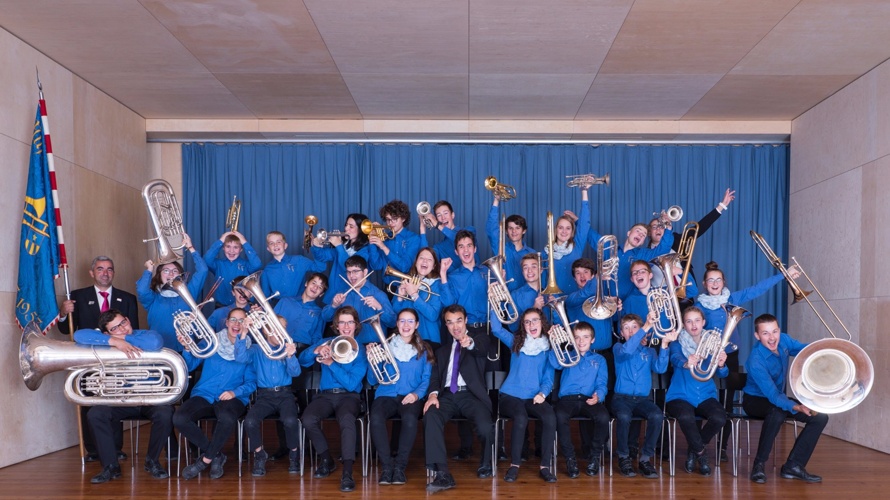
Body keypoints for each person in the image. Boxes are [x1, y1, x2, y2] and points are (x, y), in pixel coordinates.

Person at [696, 260, 799, 461]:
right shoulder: (698, 305)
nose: (715, 283)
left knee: (726, 402)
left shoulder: (732, 298)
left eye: (718, 279)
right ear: (704, 283)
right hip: (706, 356)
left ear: (724, 282)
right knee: (701, 400)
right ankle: (698, 446)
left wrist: (784, 275)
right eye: (711, 280)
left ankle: (722, 448)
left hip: (729, 355)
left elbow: (757, 289)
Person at [76, 309, 173, 484]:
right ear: (106, 333)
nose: (122, 328)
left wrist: (123, 340)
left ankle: (152, 461)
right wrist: (113, 342)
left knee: (165, 413)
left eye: (123, 323)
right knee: (95, 414)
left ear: (128, 320)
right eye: (115, 329)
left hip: (149, 397)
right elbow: (79, 335)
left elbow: (155, 342)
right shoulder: (106, 341)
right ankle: (110, 466)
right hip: (119, 398)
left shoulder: (146, 335)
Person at [58, 255, 138, 462]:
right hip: (88, 360)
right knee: (88, 402)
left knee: (114, 400)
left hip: (116, 361)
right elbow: (64, 328)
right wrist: (63, 313)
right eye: (100, 269)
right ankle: (93, 449)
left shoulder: (127, 298)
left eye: (109, 269)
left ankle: (116, 447)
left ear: (114, 272)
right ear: (92, 273)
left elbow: (134, 331)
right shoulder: (76, 296)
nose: (105, 273)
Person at [744, 313, 828, 484]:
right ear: (757, 336)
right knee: (777, 412)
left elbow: (806, 351)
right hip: (755, 400)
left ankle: (794, 466)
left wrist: (826, 346)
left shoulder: (784, 340)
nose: (772, 337)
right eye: (765, 333)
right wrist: (796, 406)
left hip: (778, 399)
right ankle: (758, 465)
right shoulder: (755, 360)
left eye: (774, 331)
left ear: (779, 330)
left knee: (820, 417)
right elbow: (773, 395)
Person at [175, 307, 257, 480]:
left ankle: (204, 460)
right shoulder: (210, 342)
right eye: (233, 320)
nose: (237, 324)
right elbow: (189, 366)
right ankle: (216, 455)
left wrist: (235, 392)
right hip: (205, 393)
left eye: (242, 321)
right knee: (179, 418)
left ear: (247, 325)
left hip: (232, 397)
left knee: (227, 417)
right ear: (226, 323)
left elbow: (252, 383)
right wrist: (187, 347)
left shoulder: (250, 350)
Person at [299, 306, 369, 492]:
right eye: (342, 322)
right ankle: (327, 459)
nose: (346, 326)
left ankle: (347, 472)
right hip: (326, 396)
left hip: (349, 396)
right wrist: (317, 350)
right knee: (308, 419)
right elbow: (303, 360)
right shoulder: (327, 342)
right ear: (336, 326)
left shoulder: (360, 351)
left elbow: (353, 384)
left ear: (356, 325)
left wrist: (330, 364)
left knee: (347, 419)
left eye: (350, 322)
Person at [424, 305, 493, 494]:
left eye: (458, 321)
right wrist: (432, 395)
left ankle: (486, 463)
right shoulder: (442, 351)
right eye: (450, 322)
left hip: (471, 396)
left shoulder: (479, 339)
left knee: (485, 426)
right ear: (446, 325)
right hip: (446, 395)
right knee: (431, 415)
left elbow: (479, 348)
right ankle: (443, 474)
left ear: (466, 320)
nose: (455, 327)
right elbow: (436, 378)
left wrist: (468, 342)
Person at [490, 308, 558, 483]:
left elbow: (548, 377)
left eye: (535, 320)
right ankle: (514, 465)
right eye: (527, 322)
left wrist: (543, 393)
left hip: (534, 396)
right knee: (520, 418)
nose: (531, 324)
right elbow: (497, 330)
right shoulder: (516, 342)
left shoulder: (549, 348)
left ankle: (544, 466)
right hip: (510, 395)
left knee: (550, 417)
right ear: (523, 326)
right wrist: (493, 305)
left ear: (542, 323)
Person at [367, 308, 433, 486]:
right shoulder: (384, 347)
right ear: (396, 323)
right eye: (402, 321)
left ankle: (400, 468)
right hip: (386, 395)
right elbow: (372, 379)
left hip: (410, 396)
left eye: (410, 321)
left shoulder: (424, 349)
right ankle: (387, 466)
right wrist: (372, 359)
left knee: (410, 419)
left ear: (417, 325)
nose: (406, 325)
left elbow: (426, 379)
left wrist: (416, 394)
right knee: (376, 417)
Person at [611, 312, 676, 479]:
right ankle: (624, 457)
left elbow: (660, 369)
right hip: (621, 398)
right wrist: (646, 326)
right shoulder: (618, 348)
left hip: (642, 400)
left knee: (656, 415)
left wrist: (664, 345)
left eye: (635, 327)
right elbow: (627, 351)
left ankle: (645, 458)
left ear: (642, 331)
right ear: (621, 333)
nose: (631, 331)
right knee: (624, 416)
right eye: (626, 328)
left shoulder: (649, 352)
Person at [665, 306, 728, 476]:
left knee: (720, 417)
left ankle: (694, 450)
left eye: (697, 321)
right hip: (680, 395)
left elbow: (723, 373)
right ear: (683, 325)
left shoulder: (713, 343)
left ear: (704, 322)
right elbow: (675, 358)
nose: (693, 325)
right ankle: (701, 454)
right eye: (689, 321)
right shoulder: (677, 342)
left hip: (705, 394)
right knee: (686, 416)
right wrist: (687, 362)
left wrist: (721, 363)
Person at [236, 315, 302, 476]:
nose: (280, 332)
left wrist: (290, 356)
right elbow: (240, 357)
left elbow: (296, 372)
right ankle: (259, 455)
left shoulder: (286, 348)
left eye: (283, 328)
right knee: (250, 421)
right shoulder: (257, 350)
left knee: (290, 420)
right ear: (266, 331)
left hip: (285, 394)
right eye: (276, 328)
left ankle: (294, 454)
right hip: (264, 396)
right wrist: (243, 333)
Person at [550, 321, 610, 478]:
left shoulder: (600, 360)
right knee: (559, 416)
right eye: (577, 337)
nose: (581, 341)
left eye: (585, 337)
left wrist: (599, 396)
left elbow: (602, 383)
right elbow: (554, 363)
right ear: (571, 339)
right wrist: (554, 342)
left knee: (603, 416)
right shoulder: (566, 355)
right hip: (567, 399)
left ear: (593, 340)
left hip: (588, 399)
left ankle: (595, 456)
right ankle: (570, 458)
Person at [647, 188, 736, 289]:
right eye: (654, 227)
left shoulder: (676, 239)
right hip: (659, 295)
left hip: (684, 291)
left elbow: (701, 226)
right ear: (649, 232)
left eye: (662, 226)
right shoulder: (645, 253)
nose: (659, 229)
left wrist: (722, 205)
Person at [136, 234, 209, 351]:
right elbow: (141, 290)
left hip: (187, 349)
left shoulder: (189, 293)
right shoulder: (153, 298)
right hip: (160, 350)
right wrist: (149, 270)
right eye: (166, 271)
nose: (171, 274)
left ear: (180, 275)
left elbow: (203, 270)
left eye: (175, 271)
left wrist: (191, 248)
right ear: (159, 275)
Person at [589, 222, 674, 301]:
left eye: (643, 235)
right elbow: (590, 234)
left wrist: (668, 228)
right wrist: (576, 220)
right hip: (603, 302)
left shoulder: (644, 254)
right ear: (628, 233)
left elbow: (663, 249)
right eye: (638, 231)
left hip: (627, 305)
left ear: (642, 242)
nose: (640, 235)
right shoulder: (609, 248)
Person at [311, 213, 377, 303]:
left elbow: (349, 267)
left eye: (351, 226)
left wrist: (338, 246)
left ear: (361, 230)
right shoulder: (343, 246)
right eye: (346, 225)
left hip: (351, 297)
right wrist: (316, 246)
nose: (346, 228)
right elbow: (322, 257)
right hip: (333, 294)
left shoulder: (365, 251)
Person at [321, 255, 396, 333]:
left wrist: (379, 307)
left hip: (373, 344)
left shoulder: (378, 294)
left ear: (365, 272)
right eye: (348, 272)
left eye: (355, 271)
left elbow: (392, 323)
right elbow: (325, 317)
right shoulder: (343, 294)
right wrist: (334, 305)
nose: (351, 276)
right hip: (349, 343)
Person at [542, 184, 591, 295]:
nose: (564, 231)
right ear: (555, 230)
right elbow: (543, 280)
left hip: (575, 298)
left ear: (572, 231)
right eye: (561, 228)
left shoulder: (576, 246)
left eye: (568, 228)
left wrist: (584, 192)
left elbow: (584, 224)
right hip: (553, 300)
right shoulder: (546, 252)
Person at [391, 248, 445, 348]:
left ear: (434, 266)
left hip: (428, 339)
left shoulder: (437, 285)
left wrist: (414, 295)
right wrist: (400, 297)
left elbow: (433, 315)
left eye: (429, 259)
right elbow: (396, 315)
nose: (425, 261)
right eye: (421, 258)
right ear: (416, 263)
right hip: (406, 339)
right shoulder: (406, 281)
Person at [368, 200, 422, 289]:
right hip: (387, 286)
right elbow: (376, 266)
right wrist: (372, 241)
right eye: (388, 220)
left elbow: (405, 267)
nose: (391, 223)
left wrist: (384, 247)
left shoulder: (413, 238)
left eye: (395, 219)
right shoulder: (385, 238)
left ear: (403, 218)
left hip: (407, 287)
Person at [486, 195, 535, 289]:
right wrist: (496, 201)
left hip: (527, 300)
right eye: (510, 228)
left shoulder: (532, 253)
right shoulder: (500, 248)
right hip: (504, 299)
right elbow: (492, 230)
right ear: (506, 231)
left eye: (517, 228)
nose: (514, 232)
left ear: (524, 230)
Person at [203, 231, 262, 307]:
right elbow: (207, 259)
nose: (231, 251)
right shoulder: (218, 264)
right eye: (228, 246)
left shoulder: (246, 264)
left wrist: (244, 241)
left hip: (244, 306)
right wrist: (221, 239)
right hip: (222, 306)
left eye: (236, 247)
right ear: (223, 248)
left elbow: (257, 264)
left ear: (241, 249)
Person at [261, 230, 326, 300]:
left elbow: (320, 268)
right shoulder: (267, 270)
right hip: (278, 308)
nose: (275, 245)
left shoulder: (299, 260)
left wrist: (316, 248)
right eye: (271, 243)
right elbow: (266, 296)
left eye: (278, 242)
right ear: (268, 249)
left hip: (299, 305)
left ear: (285, 245)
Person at [273, 272, 328, 349]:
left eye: (320, 287)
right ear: (306, 283)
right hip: (279, 345)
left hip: (302, 351)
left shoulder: (320, 313)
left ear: (321, 294)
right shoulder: (285, 301)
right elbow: (269, 324)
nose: (315, 287)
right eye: (313, 283)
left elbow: (316, 338)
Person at [418, 200, 477, 265]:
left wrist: (437, 225)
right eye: (439, 215)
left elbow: (460, 238)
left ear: (453, 215)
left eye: (445, 213)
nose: (443, 218)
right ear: (437, 219)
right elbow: (425, 256)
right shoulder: (439, 247)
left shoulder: (470, 230)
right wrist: (422, 229)